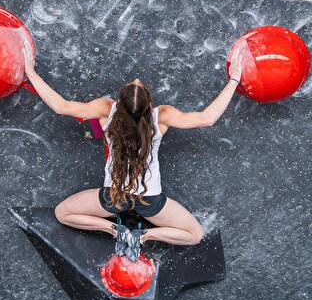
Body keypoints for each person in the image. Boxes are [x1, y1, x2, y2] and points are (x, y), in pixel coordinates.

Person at [23, 41, 242, 259]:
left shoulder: (106, 109)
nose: (137, 79)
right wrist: (234, 79)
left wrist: (30, 72)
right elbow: (207, 118)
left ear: (120, 100)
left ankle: (113, 229)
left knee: (62, 213)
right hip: (150, 200)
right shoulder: (161, 116)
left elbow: (62, 106)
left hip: (113, 197)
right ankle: (143, 236)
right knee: (194, 234)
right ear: (149, 105)